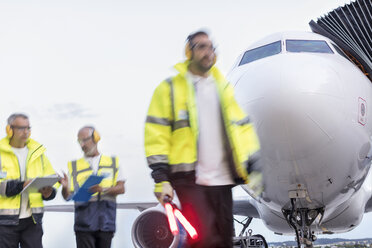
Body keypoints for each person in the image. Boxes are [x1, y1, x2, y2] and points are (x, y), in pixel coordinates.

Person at [144, 30, 262, 248]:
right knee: (203, 239)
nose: (208, 52)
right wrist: (160, 177)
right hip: (190, 177)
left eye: (211, 47)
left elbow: (240, 128)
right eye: (201, 47)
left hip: (223, 178)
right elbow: (156, 135)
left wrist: (250, 160)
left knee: (223, 241)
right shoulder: (169, 89)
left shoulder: (223, 88)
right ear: (189, 52)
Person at [60, 126, 125, 248]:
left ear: (96, 138)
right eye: (80, 141)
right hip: (84, 224)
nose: (82, 145)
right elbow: (67, 196)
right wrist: (64, 187)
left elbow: (121, 188)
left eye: (85, 140)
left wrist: (103, 190)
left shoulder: (112, 162)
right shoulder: (74, 166)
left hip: (106, 222)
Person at [0, 113, 57, 248]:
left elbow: (50, 180)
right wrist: (22, 185)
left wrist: (49, 193)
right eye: (21, 128)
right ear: (9, 129)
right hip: (5, 223)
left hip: (33, 221)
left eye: (28, 128)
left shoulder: (39, 153)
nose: (26, 132)